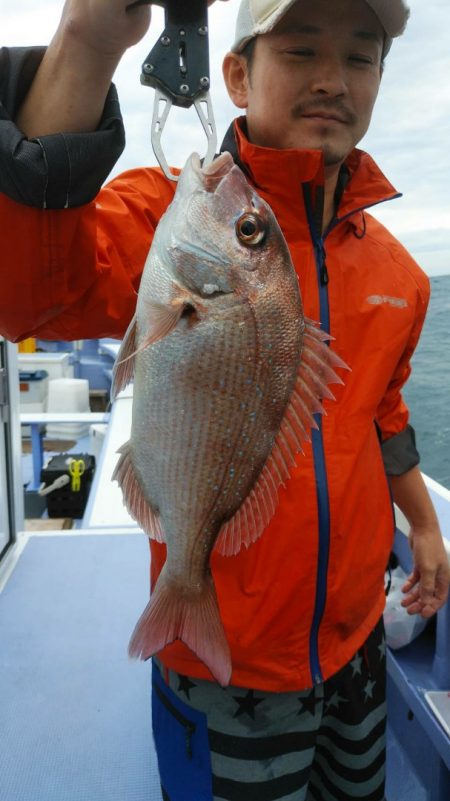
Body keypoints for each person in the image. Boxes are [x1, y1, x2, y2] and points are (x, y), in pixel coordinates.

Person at [1, 1, 449, 799]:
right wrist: (86, 42)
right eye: (301, 48)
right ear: (236, 74)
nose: (330, 79)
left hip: (357, 642)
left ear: (381, 78)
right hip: (230, 660)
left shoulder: (401, 277)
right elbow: (31, 295)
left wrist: (422, 522)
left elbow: (385, 414)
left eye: (359, 57)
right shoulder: (169, 219)